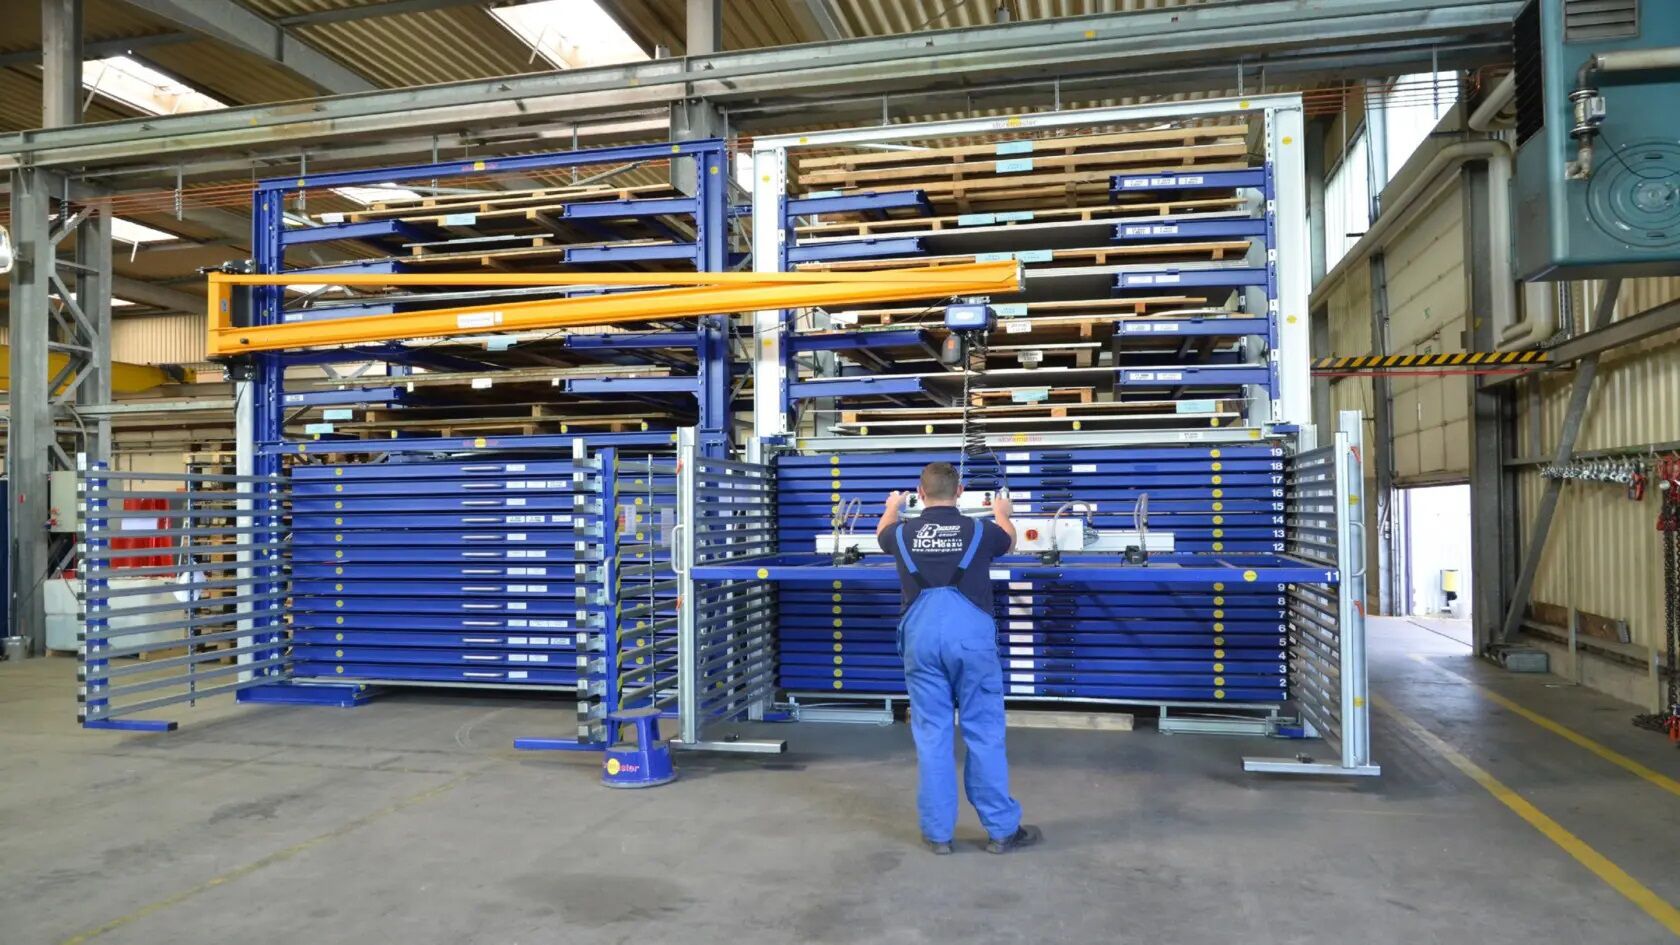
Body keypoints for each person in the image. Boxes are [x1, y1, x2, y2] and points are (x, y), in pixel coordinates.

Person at [877, 461, 1042, 855]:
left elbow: (882, 532)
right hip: (971, 642)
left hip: (921, 640)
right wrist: (1002, 512)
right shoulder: (982, 531)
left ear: (920, 493)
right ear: (960, 492)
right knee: (984, 732)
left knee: (932, 736)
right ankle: (1001, 831)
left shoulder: (901, 533)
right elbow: (1009, 541)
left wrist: (892, 506)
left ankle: (938, 836)